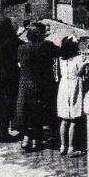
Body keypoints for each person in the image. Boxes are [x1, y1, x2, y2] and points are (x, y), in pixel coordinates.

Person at [15, 22, 59, 151]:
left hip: (25, 83)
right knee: (40, 111)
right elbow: (60, 51)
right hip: (42, 84)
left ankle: (27, 139)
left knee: (27, 111)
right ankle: (36, 140)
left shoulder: (22, 48)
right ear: (41, 34)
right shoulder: (46, 46)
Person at [55, 37, 89, 156]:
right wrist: (84, 65)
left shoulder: (61, 59)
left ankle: (62, 146)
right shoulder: (78, 58)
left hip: (63, 86)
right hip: (74, 85)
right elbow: (79, 73)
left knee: (64, 118)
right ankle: (71, 147)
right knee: (73, 118)